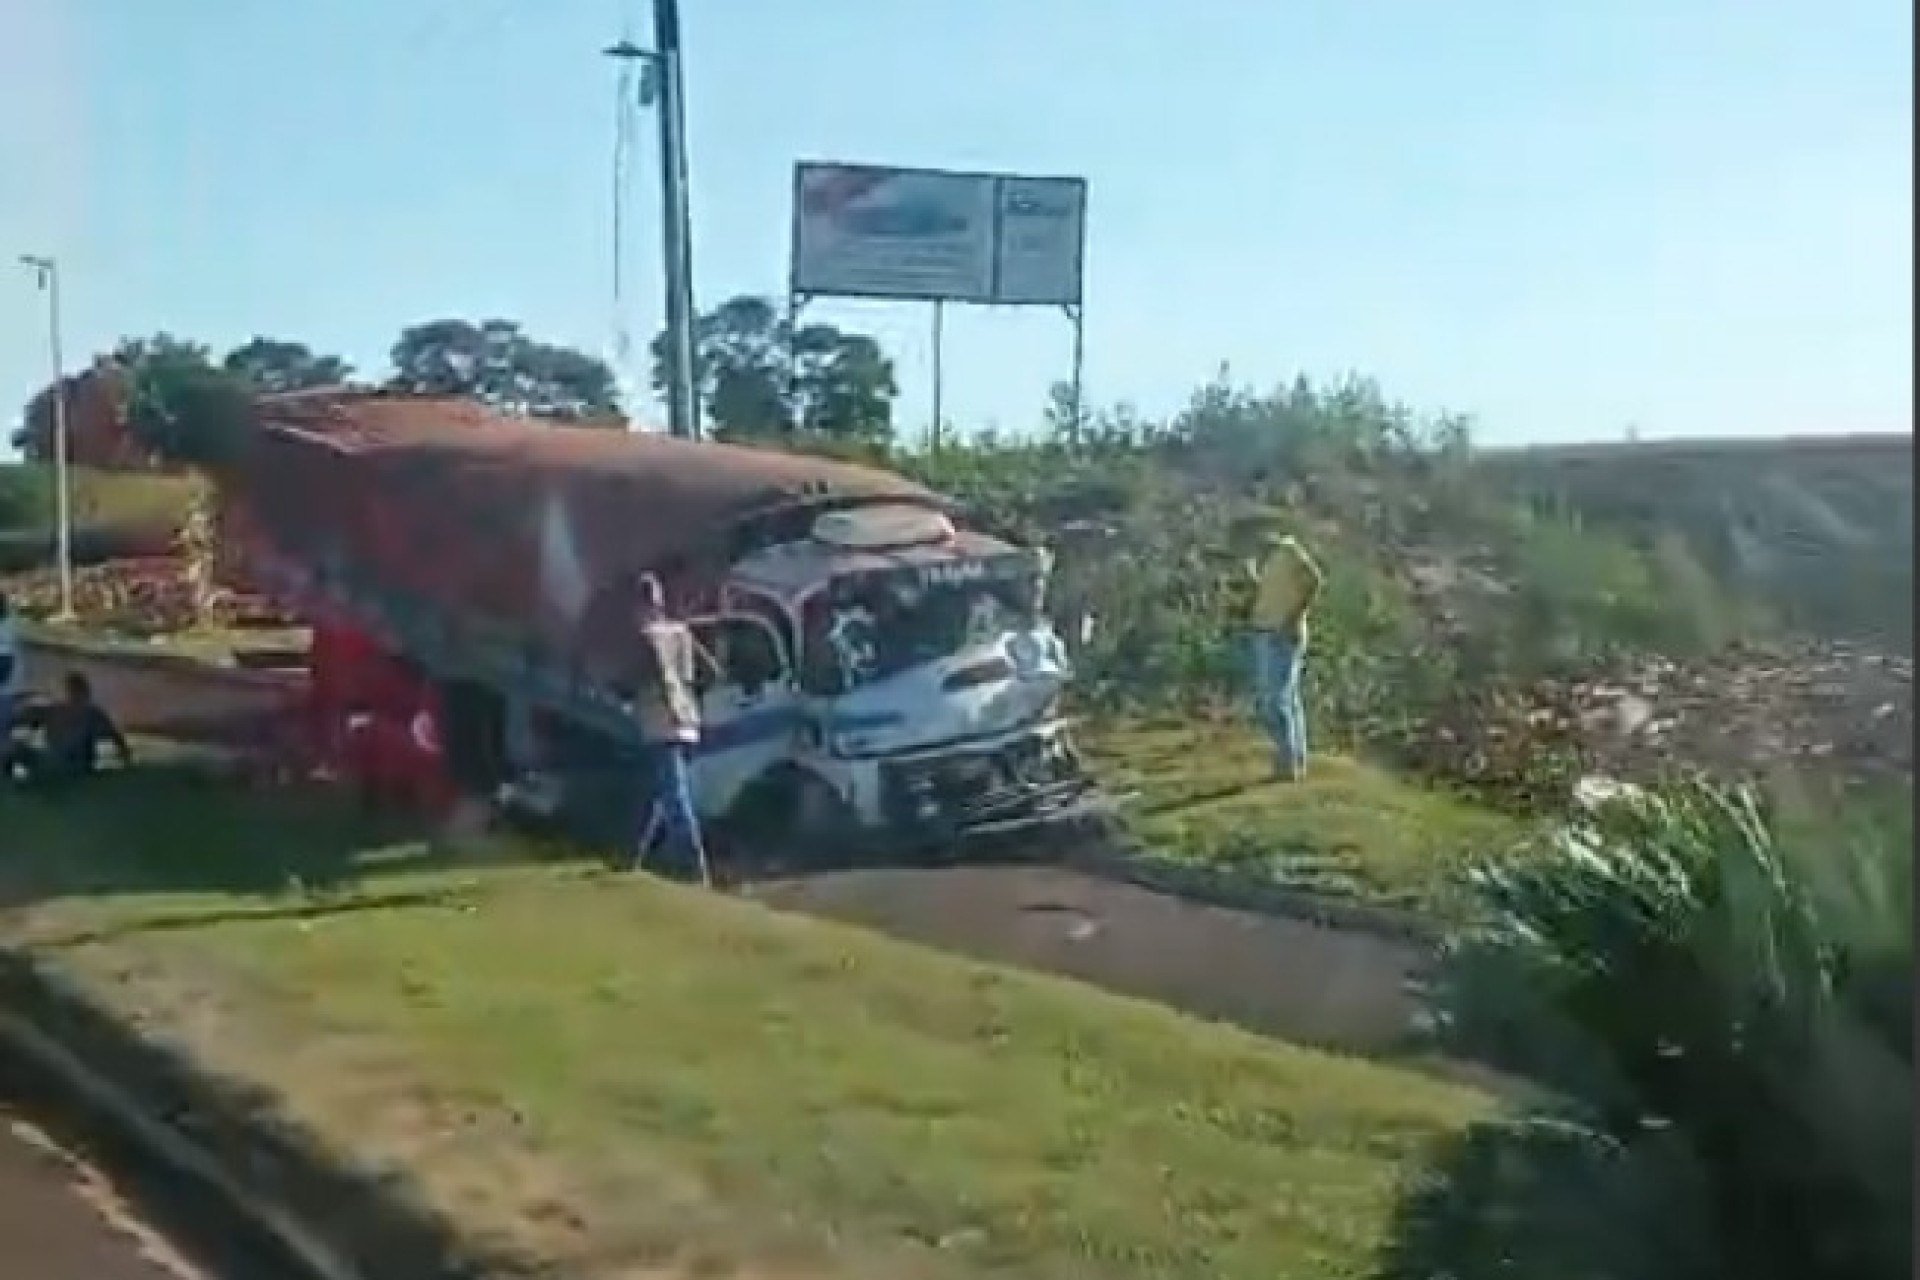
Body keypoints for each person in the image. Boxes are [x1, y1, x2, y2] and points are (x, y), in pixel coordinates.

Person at [627, 573, 714, 883]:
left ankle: (695, 866)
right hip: (687, 719)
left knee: (675, 797)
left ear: (640, 604)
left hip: (659, 721)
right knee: (659, 792)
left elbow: (645, 678)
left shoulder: (646, 637)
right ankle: (632, 858)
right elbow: (708, 672)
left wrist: (627, 694)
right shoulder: (681, 633)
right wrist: (688, 700)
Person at [1245, 530, 1325, 780]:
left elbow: (1314, 581)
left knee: (1275, 702)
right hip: (1266, 632)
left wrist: (1295, 616)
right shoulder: (1267, 561)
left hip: (1282, 635)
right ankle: (1294, 759)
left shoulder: (1289, 551)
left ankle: (1287, 763)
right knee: (1287, 699)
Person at [4, 671, 133, 788]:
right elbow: (117, 738)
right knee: (16, 747)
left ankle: (10, 781)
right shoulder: (89, 712)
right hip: (69, 766)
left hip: (66, 766)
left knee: (13, 748)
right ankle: (14, 781)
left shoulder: (59, 710)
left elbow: (17, 718)